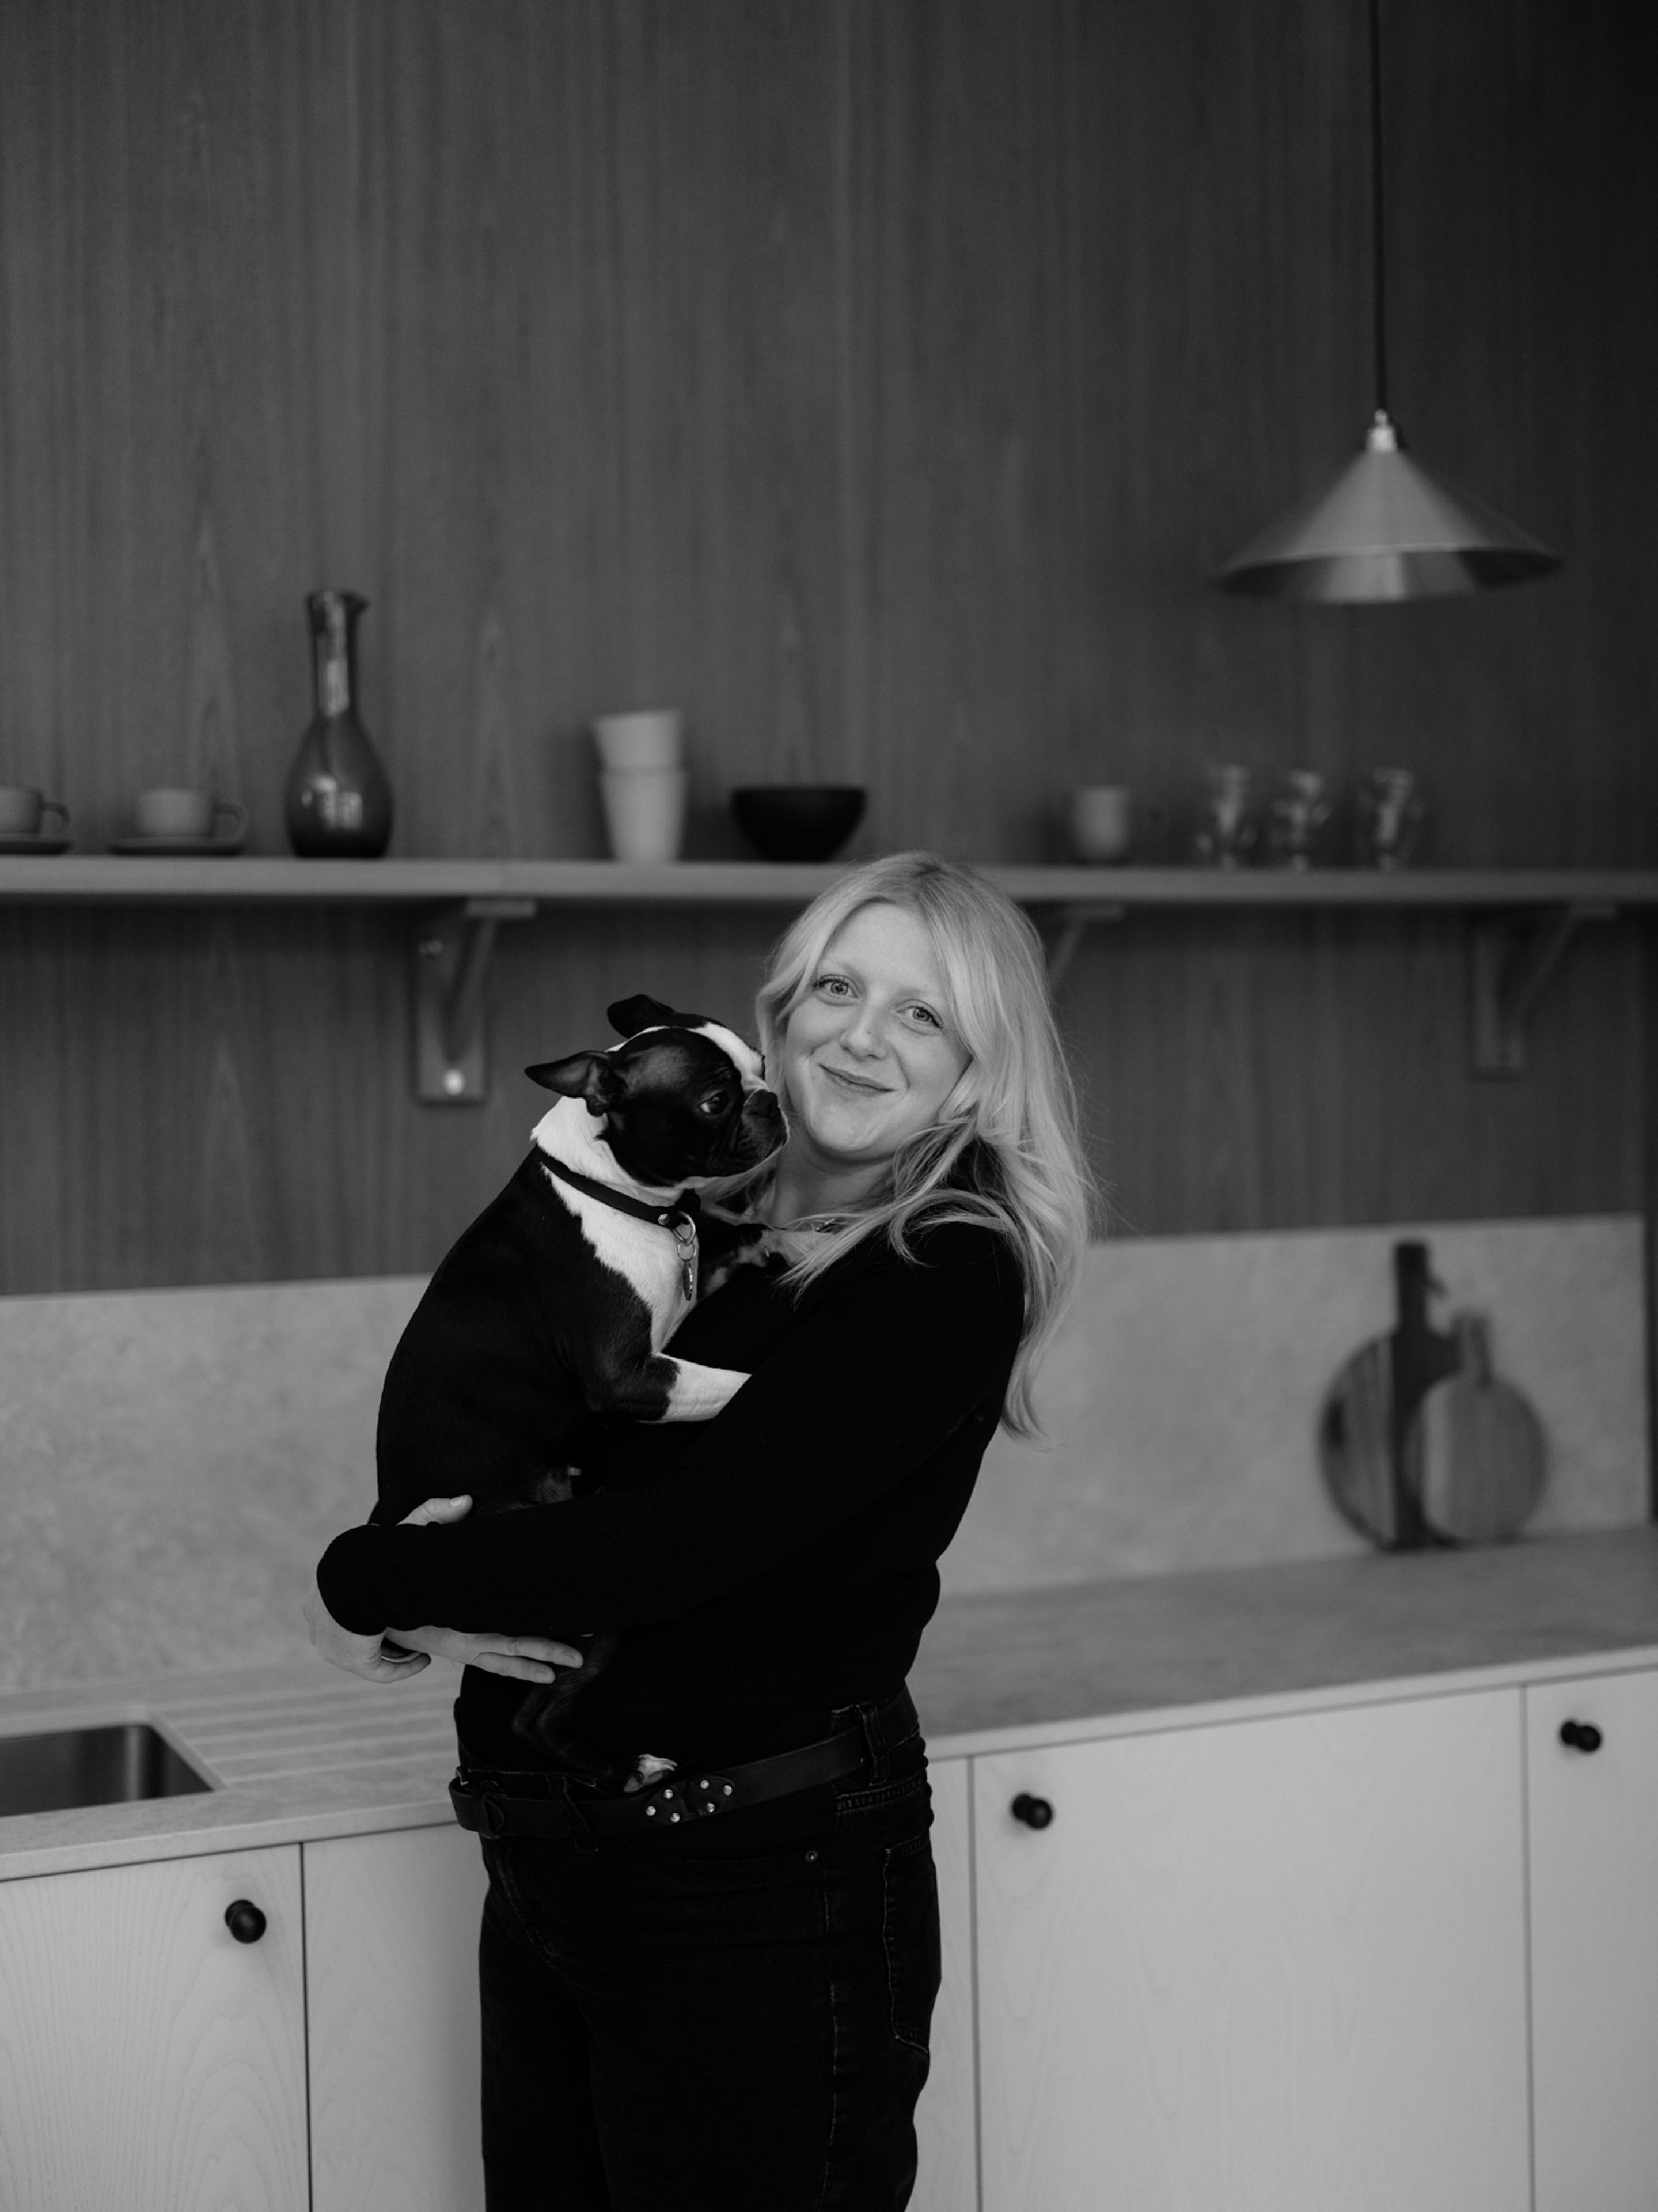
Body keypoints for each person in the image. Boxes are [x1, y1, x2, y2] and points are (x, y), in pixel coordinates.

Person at [306, 850, 1095, 2211]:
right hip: (556, 1871)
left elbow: (681, 1546)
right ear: (777, 1018)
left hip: (753, 1897)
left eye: (922, 1012)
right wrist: (454, 1568)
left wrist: (368, 1572)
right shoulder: (694, 1242)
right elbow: (555, 1474)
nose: (861, 1032)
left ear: (980, 1062)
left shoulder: (946, 1261)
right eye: (838, 987)